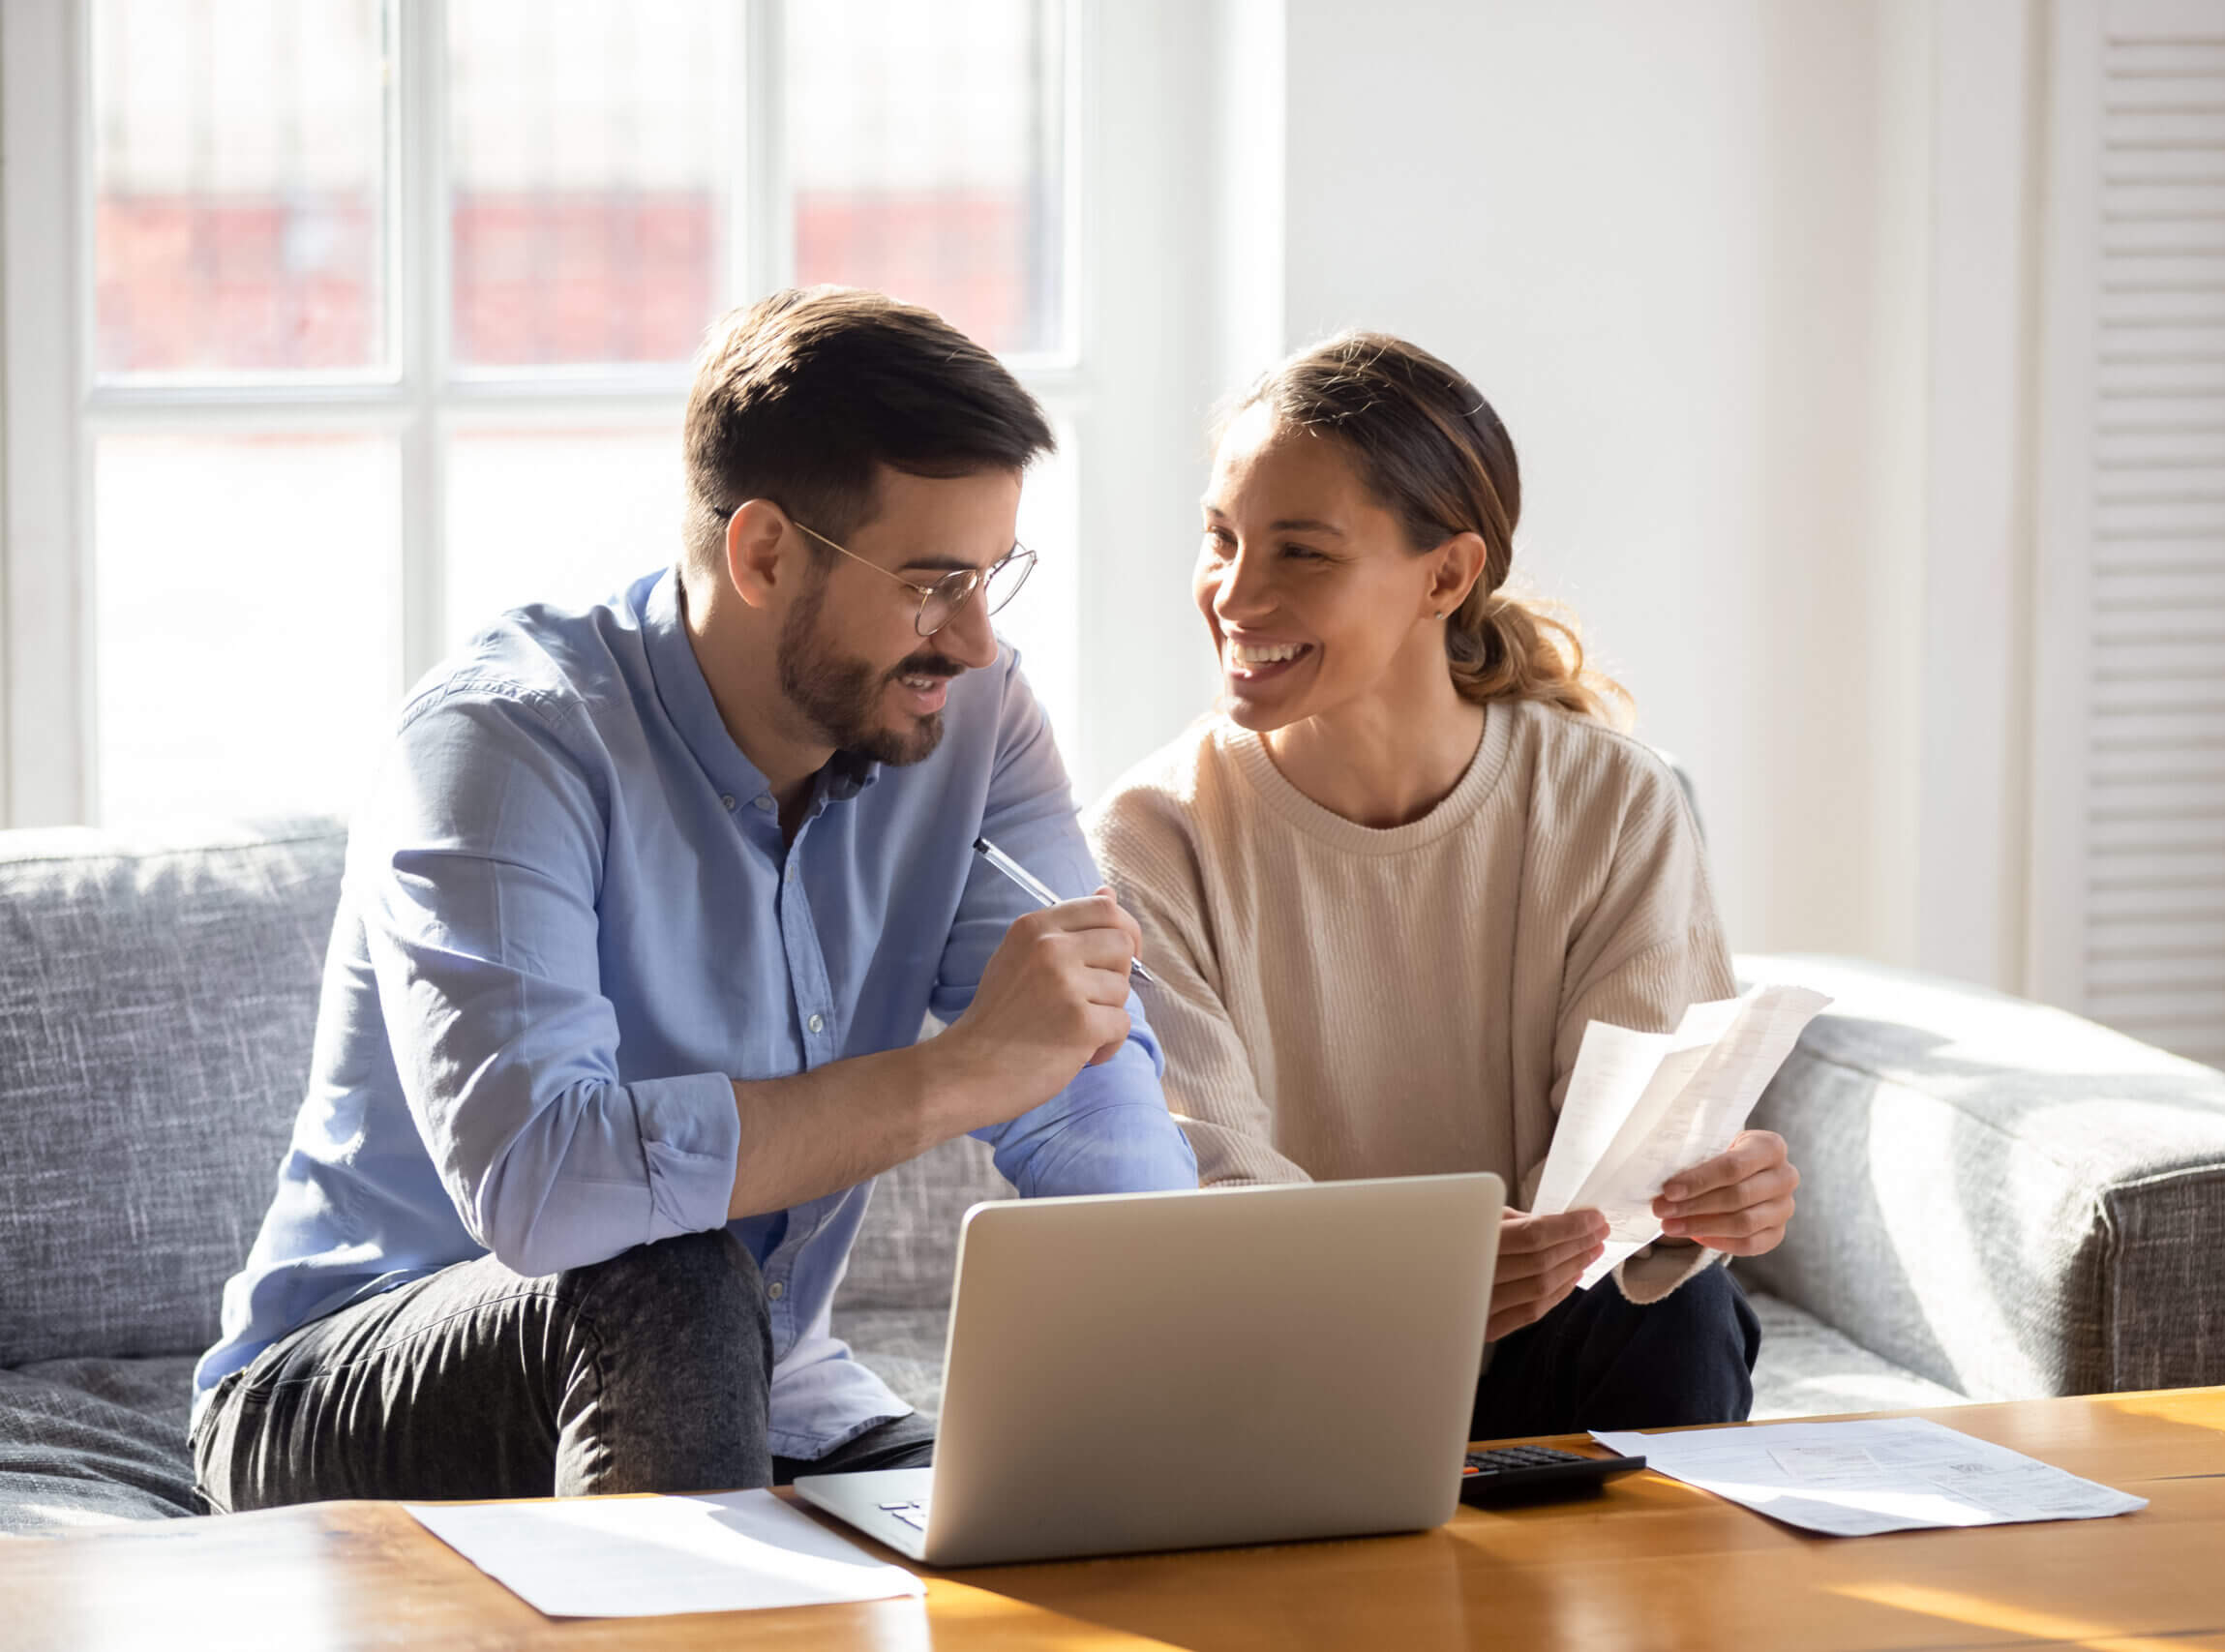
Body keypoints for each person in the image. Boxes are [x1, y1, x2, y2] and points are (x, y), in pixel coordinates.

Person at [191, 286, 1195, 1511]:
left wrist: (1183, 1354)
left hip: (771, 1388)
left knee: (1063, 1524)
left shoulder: (972, 720)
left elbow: (1083, 1074)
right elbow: (544, 1184)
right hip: (348, 1378)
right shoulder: (504, 746)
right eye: (934, 582)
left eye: (994, 576)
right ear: (764, 552)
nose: (975, 640)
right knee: (666, 1275)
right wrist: (955, 1074)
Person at [1087, 332, 1798, 1437]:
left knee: (1678, 1315)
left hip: (1554, 1334)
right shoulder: (1152, 835)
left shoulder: (1611, 800)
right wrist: (1426, 1279)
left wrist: (1704, 1201)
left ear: (1447, 575)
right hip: (1289, 1359)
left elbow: (1627, 1177)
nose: (1234, 593)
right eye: (1219, 539)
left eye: (1299, 554)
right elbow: (1208, 1192)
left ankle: (1661, 1609)